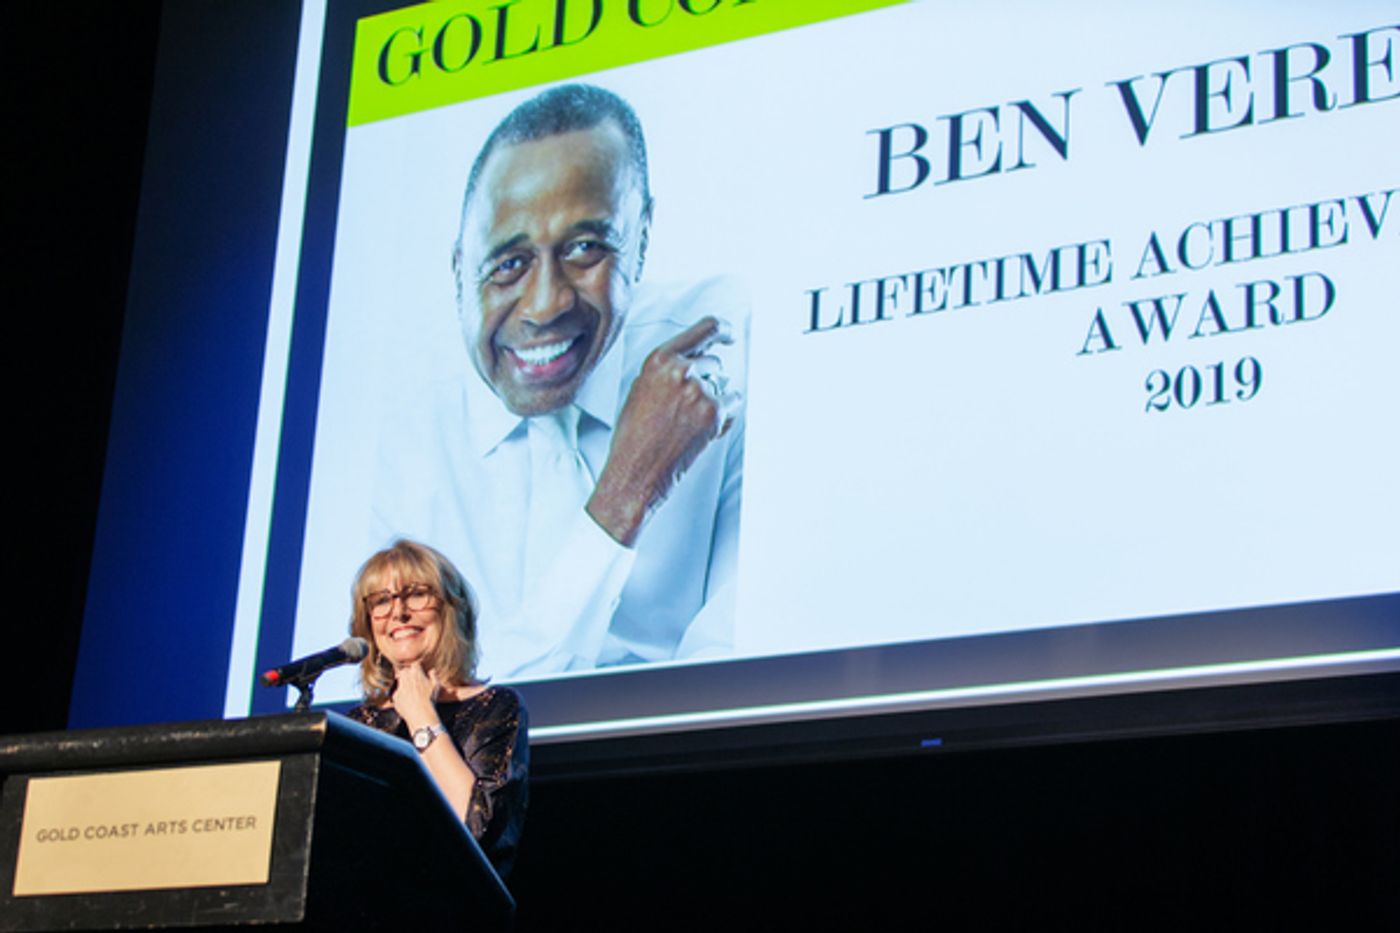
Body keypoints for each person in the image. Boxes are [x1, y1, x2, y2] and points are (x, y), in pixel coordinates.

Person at [372, 83, 747, 680]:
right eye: (508, 264)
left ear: (643, 238)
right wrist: (627, 491)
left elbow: (739, 673)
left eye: (584, 249)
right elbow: (442, 706)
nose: (545, 305)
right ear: (458, 271)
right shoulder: (411, 435)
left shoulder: (726, 351)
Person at [344, 539, 527, 876]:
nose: (398, 613)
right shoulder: (360, 723)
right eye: (382, 601)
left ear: (450, 609)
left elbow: (476, 828)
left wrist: (420, 717)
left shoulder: (496, 707)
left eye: (416, 594)